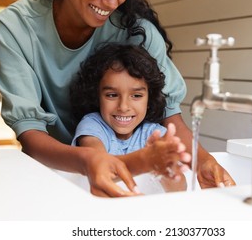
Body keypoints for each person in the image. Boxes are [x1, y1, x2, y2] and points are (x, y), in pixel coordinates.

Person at [0, 0, 235, 197]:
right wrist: (91, 160)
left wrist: (203, 161)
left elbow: (170, 116)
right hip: (51, 174)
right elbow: (30, 134)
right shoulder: (17, 27)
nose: (111, 1)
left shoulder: (139, 33)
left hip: (112, 169)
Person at [70, 43, 188, 192]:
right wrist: (148, 160)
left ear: (149, 99)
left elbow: (179, 191)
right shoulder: (91, 126)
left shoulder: (155, 134)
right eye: (112, 95)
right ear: (96, 96)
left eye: (136, 96)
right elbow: (102, 170)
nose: (124, 107)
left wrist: (168, 171)